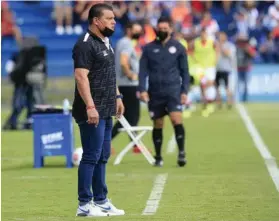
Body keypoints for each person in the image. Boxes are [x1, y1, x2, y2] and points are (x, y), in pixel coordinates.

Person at [72, 3, 125, 217]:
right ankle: (84, 204)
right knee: (91, 156)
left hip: (106, 107)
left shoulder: (106, 42)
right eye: (109, 18)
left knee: (102, 155)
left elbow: (109, 74)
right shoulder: (85, 44)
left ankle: (101, 200)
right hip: (91, 110)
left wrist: (118, 96)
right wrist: (90, 107)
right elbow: (80, 77)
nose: (114, 21)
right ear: (96, 21)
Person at [139, 17, 190, 167]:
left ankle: (181, 153)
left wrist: (184, 91)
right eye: (159, 28)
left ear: (171, 29)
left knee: (176, 119)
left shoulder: (179, 48)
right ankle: (158, 156)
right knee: (158, 123)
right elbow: (143, 71)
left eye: (164, 28)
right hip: (155, 92)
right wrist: (142, 89)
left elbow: (185, 72)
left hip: (173, 91)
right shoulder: (148, 49)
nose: (161, 31)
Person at [112, 21, 142, 153]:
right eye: (137, 30)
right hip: (129, 85)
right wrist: (131, 75)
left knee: (127, 117)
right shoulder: (126, 43)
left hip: (124, 84)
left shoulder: (122, 42)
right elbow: (124, 62)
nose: (139, 33)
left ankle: (135, 144)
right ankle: (135, 144)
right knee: (132, 116)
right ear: (129, 30)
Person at [215, 32, 235, 108]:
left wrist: (221, 47)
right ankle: (218, 102)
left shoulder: (229, 45)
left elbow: (229, 54)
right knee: (217, 87)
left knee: (227, 86)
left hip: (226, 69)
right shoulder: (216, 45)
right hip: (217, 68)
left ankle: (229, 102)